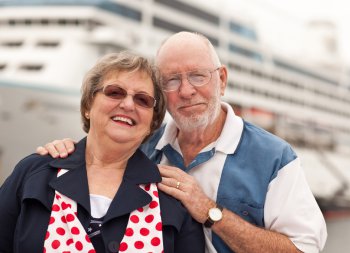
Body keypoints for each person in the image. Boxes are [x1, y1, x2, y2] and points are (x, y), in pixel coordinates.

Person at [35, 32, 327, 253]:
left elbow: (304, 249)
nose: (186, 91)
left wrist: (211, 213)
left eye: (198, 76)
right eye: (171, 80)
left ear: (221, 80)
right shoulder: (144, 146)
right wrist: (70, 151)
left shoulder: (273, 158)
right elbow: (99, 158)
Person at [0, 51, 205, 253]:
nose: (127, 104)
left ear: (152, 122)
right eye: (115, 92)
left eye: (142, 100)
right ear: (88, 105)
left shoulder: (172, 200)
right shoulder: (33, 174)